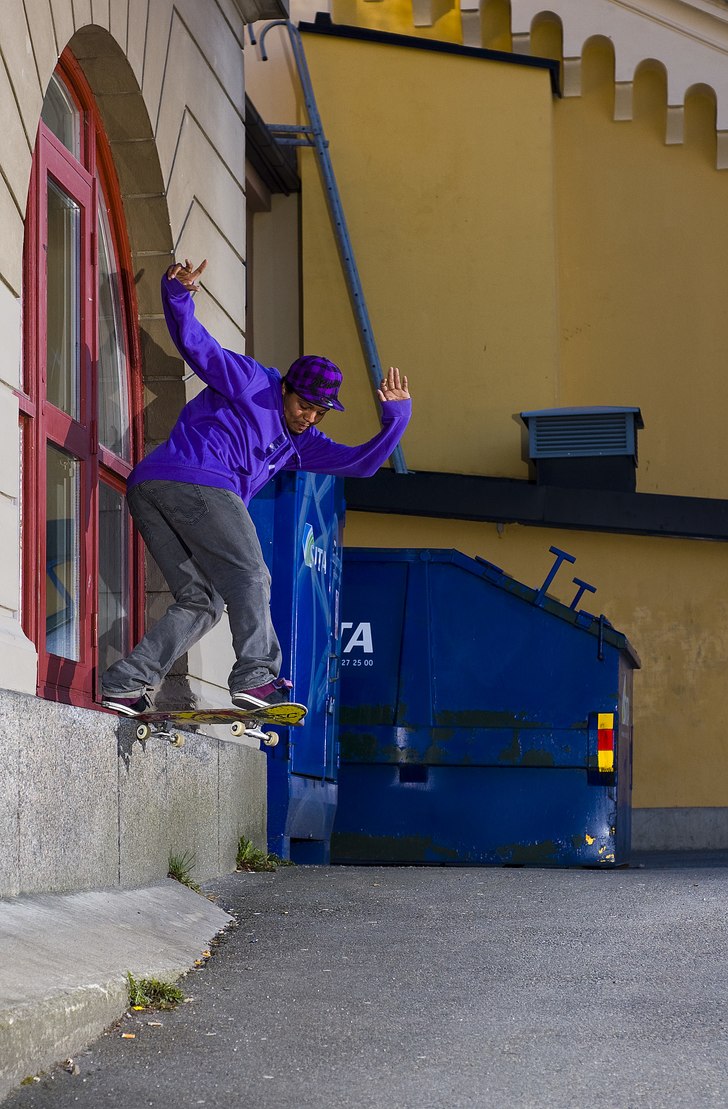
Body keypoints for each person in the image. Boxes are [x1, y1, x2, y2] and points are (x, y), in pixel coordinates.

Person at [101, 258, 411, 714]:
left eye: (320, 412)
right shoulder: (251, 381)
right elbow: (197, 346)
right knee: (252, 574)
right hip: (193, 479)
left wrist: (396, 420)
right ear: (285, 387)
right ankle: (256, 677)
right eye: (304, 405)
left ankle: (127, 682)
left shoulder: (303, 443)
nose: (309, 417)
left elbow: (361, 464)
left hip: (152, 493)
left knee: (203, 601)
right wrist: (177, 294)